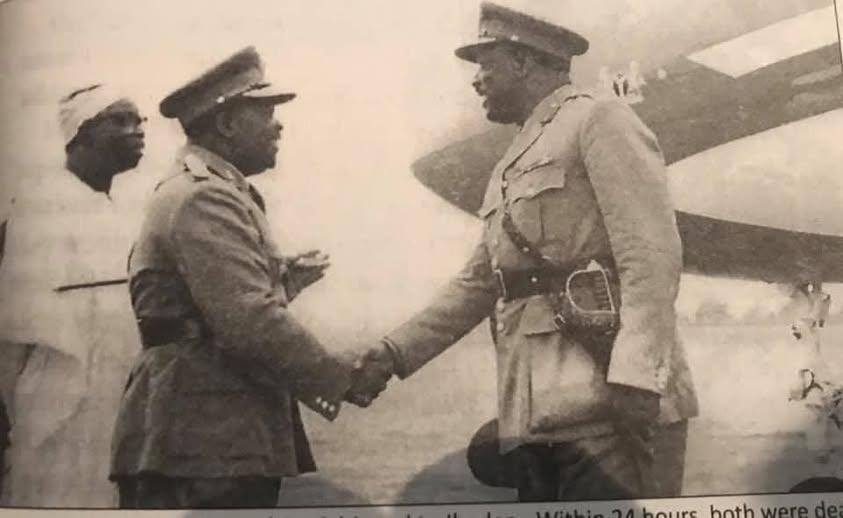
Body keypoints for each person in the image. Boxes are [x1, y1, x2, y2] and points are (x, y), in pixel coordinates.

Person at [348, 2, 698, 501]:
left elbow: (651, 253)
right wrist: (393, 353)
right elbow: (479, 282)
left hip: (607, 402)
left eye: (485, 64)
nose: (476, 81)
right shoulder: (511, 162)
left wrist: (637, 375)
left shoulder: (599, 118)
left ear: (522, 61)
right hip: (537, 412)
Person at [109, 46, 358, 509]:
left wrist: (284, 281)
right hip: (206, 434)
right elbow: (247, 318)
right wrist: (339, 376)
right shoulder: (204, 197)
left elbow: (204, 302)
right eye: (264, 112)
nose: (278, 125)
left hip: (205, 431)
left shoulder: (211, 190)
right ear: (226, 124)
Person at [0, 84, 146, 506]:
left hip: (114, 397)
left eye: (139, 121)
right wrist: (29, 408)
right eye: (119, 120)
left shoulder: (113, 209)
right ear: (79, 134)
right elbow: (15, 335)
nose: (137, 131)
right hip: (60, 402)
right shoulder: (42, 202)